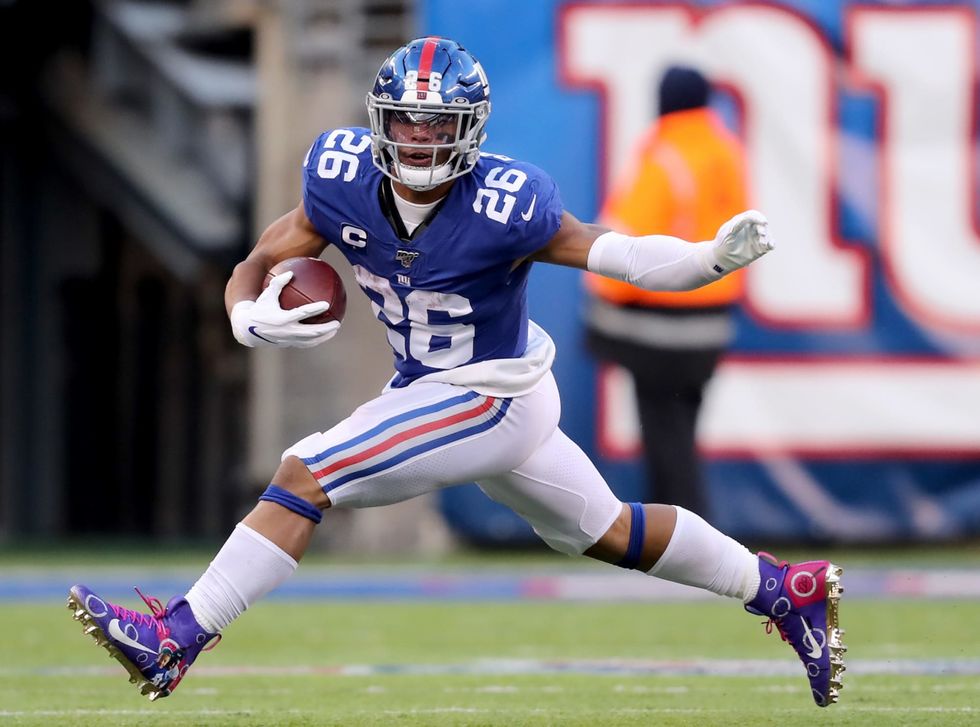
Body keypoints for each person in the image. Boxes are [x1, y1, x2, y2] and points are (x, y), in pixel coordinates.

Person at [67, 38, 845, 708]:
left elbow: (619, 250)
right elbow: (260, 261)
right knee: (609, 531)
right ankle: (784, 589)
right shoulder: (339, 177)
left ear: (468, 130)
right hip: (437, 391)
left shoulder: (509, 203)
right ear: (379, 118)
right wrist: (246, 315)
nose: (416, 136)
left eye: (436, 122)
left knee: (307, 470)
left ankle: (176, 635)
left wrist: (708, 258)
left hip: (491, 394)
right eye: (404, 117)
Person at [586, 65, 749, 517]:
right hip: (713, 323)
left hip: (659, 328)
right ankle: (688, 531)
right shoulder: (728, 151)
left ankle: (684, 535)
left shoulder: (664, 156)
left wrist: (600, 301)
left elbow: (625, 244)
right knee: (684, 431)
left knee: (664, 439)